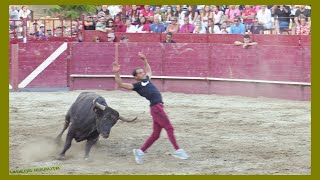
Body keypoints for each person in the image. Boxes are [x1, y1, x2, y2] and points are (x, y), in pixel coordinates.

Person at [112, 52, 189, 164]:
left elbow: (148, 70)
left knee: (156, 134)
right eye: (140, 73)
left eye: (142, 72)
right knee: (169, 128)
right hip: (156, 107)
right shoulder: (137, 86)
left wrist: (145, 60)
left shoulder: (147, 79)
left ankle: (140, 151)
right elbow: (121, 84)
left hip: (157, 108)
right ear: (136, 77)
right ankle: (178, 150)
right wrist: (116, 73)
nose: (143, 73)